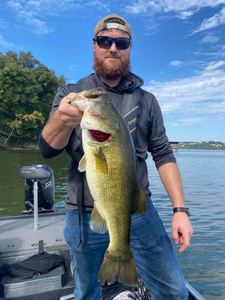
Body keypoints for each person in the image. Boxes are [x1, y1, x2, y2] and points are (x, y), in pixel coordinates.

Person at [39, 14, 193, 300]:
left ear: (129, 48)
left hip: (138, 210)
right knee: (86, 293)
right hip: (83, 214)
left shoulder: (147, 101)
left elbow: (162, 153)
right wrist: (62, 119)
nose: (112, 48)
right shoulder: (70, 93)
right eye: (104, 40)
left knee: (174, 290)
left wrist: (180, 211)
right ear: (94, 45)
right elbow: (48, 149)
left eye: (121, 42)